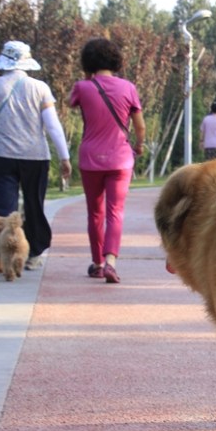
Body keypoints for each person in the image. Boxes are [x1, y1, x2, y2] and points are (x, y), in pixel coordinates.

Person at [0, 41, 72, 271]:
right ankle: (34, 253)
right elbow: (52, 126)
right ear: (26, 61)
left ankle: (3, 256)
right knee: (34, 205)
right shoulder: (40, 87)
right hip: (35, 155)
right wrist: (64, 157)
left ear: (4, 61)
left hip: (1, 154)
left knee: (4, 208)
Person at [69, 37, 146, 285]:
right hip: (121, 158)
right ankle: (111, 260)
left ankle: (98, 264)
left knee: (95, 213)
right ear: (116, 60)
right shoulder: (129, 88)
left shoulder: (82, 87)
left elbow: (72, 105)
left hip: (90, 157)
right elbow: (140, 126)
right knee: (116, 212)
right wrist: (139, 145)